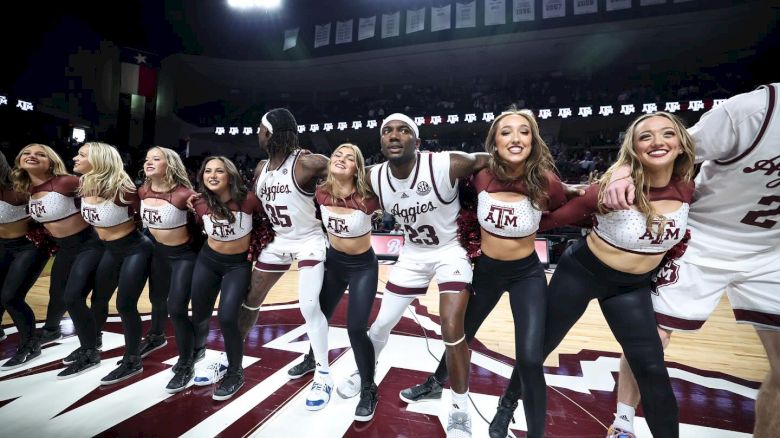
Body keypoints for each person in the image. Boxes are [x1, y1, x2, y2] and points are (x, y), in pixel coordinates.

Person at [604, 84, 780, 438]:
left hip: (771, 250)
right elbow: (667, 147)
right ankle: (623, 424)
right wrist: (624, 169)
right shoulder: (752, 112)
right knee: (651, 337)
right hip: (704, 238)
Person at [397, 108, 566, 438]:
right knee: (458, 335)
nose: (515, 138)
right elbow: (434, 172)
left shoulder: (547, 181)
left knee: (531, 358)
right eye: (506, 132)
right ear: (494, 142)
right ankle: (434, 383)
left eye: (524, 131)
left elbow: (565, 206)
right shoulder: (481, 174)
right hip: (486, 271)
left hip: (527, 275)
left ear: (533, 139)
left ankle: (508, 406)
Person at [538, 112, 696, 438]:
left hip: (631, 287)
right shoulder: (610, 189)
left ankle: (627, 428)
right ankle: (507, 407)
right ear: (633, 148)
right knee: (538, 346)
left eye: (667, 134)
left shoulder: (692, 189)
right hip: (581, 272)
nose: (657, 142)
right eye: (645, 136)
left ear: (681, 144)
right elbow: (551, 221)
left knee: (652, 367)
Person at [340, 113, 490, 437]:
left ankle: (460, 409)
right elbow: (332, 183)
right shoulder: (374, 176)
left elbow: (489, 159)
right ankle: (365, 376)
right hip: (411, 255)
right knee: (380, 324)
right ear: (381, 142)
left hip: (450, 250)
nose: (394, 135)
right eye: (387, 131)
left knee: (451, 326)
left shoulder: (445, 165)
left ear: (417, 142)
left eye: (403, 130)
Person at [235, 108, 334, 410]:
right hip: (279, 240)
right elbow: (253, 204)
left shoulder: (308, 162)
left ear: (270, 132)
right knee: (251, 298)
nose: (256, 133)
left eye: (259, 128)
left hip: (310, 240)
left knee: (308, 305)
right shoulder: (261, 168)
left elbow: (348, 175)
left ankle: (323, 374)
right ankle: (231, 356)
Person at [11, 144, 106, 378]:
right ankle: (61, 334)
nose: (32, 156)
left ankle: (90, 351)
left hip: (89, 244)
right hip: (64, 248)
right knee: (58, 295)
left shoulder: (67, 182)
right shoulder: (26, 187)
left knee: (74, 297)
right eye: (26, 153)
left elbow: (105, 194)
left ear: (51, 161)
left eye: (40, 154)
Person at [315, 143, 381, 420]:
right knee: (318, 316)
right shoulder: (320, 192)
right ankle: (313, 360)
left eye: (349, 157)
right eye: (337, 155)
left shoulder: (369, 198)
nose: (341, 159)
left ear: (357, 168)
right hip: (334, 263)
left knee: (356, 328)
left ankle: (368, 389)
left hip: (362, 267)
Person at [78, 142, 153, 385]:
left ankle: (132, 359)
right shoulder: (83, 183)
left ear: (99, 159)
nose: (75, 158)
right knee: (98, 300)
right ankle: (91, 349)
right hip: (109, 249)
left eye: (82, 155)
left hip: (135, 249)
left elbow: (149, 212)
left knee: (124, 304)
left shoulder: (124, 188)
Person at [191, 156, 263, 401]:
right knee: (199, 314)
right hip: (207, 261)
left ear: (230, 175)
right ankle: (193, 356)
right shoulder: (199, 201)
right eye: (207, 170)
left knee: (228, 318)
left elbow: (267, 223)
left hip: (237, 266)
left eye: (219, 171)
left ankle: (235, 372)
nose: (212, 175)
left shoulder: (249, 200)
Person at [138, 146, 206, 392]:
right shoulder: (143, 190)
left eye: (156, 158)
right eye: (147, 158)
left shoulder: (185, 194)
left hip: (184, 257)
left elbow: (208, 217)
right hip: (158, 254)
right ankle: (155, 338)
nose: (149, 162)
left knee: (177, 309)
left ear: (171, 165)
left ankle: (187, 361)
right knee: (156, 301)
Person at [0, 150, 49, 369]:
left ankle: (31, 345)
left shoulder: (21, 185)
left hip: (29, 246)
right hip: (2, 246)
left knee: (11, 296)